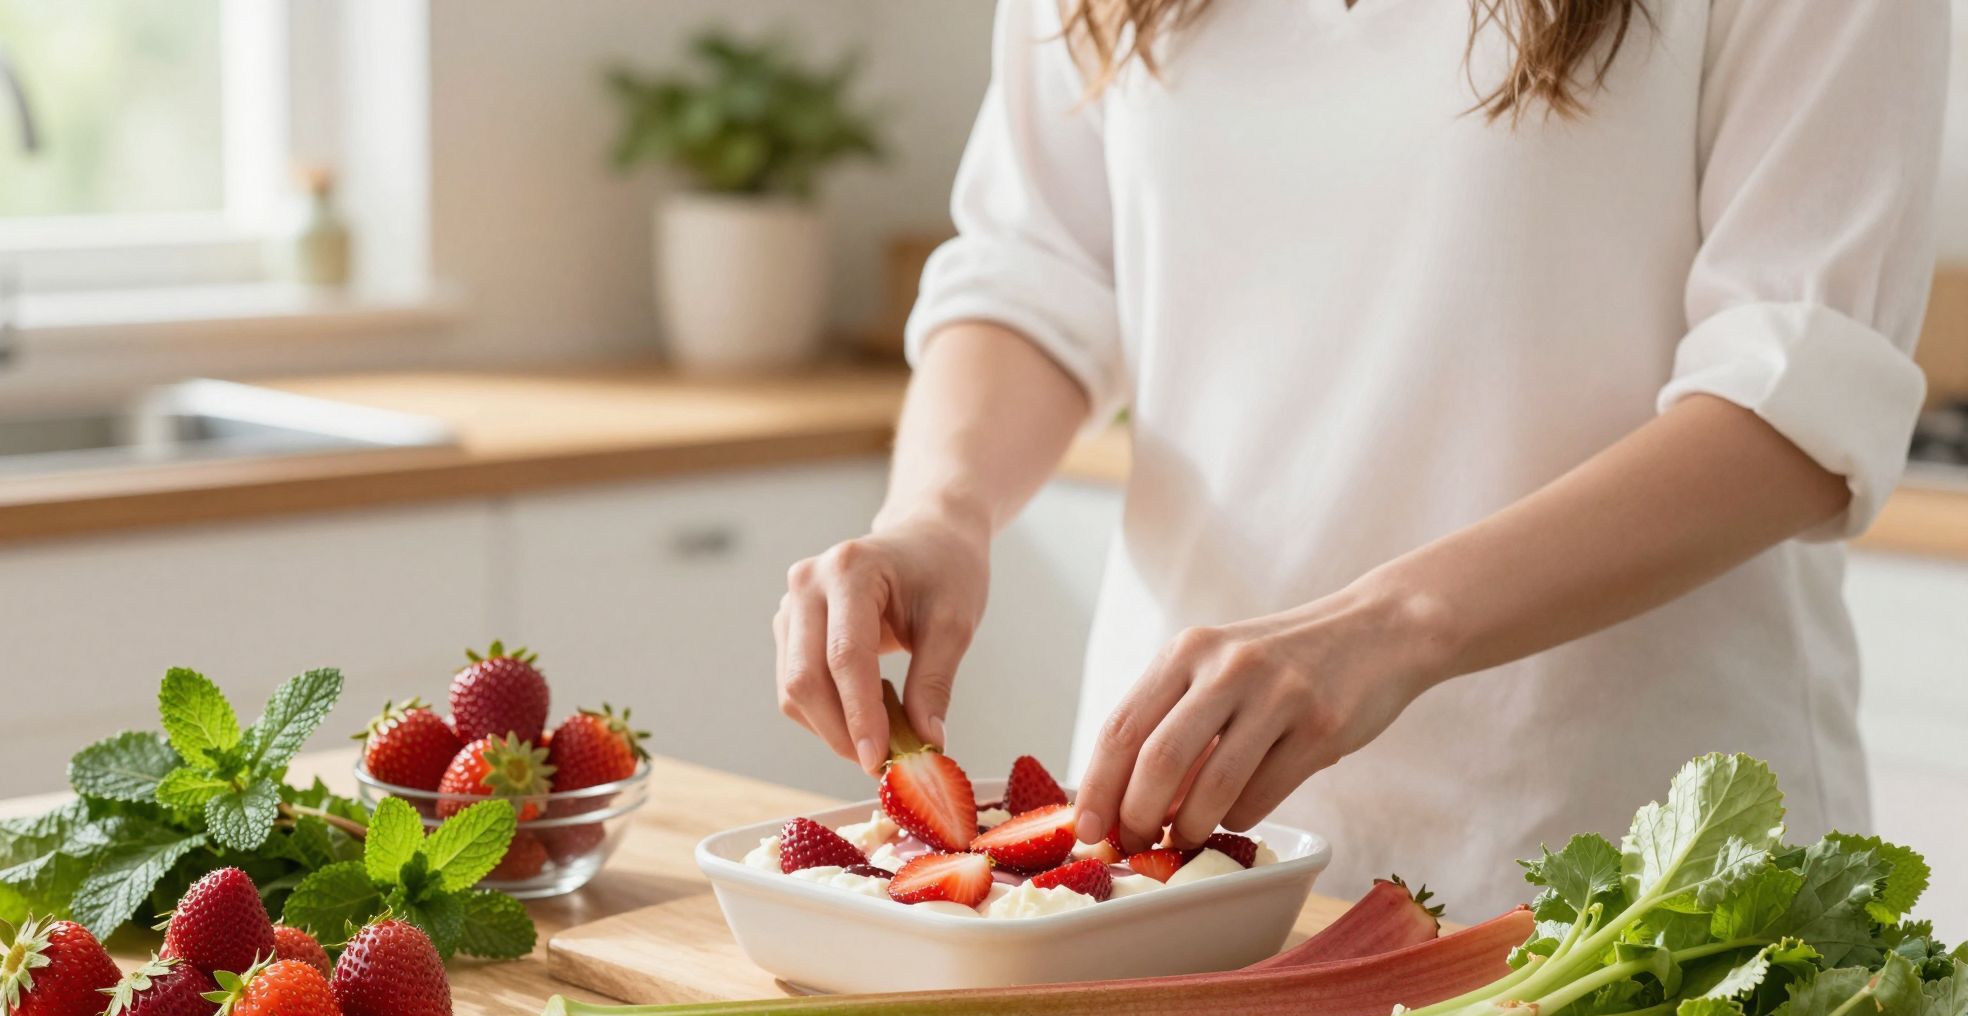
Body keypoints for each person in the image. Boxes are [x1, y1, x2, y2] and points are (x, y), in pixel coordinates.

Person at [772, 0, 1945, 917]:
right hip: (1173, 858)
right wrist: (941, 510)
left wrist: (1384, 629)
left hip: (1614, 851)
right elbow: (1036, 269)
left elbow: (1792, 403)